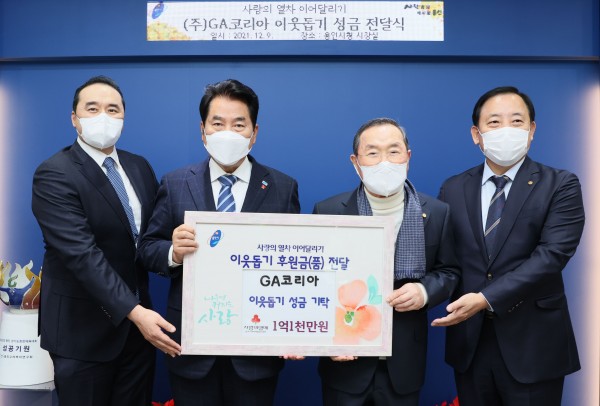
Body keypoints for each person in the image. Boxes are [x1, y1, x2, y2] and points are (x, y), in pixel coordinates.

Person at [137, 79, 301, 406]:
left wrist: (292, 329)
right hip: (191, 346)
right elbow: (147, 249)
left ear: (254, 132)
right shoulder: (176, 183)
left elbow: (294, 263)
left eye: (239, 125)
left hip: (257, 349)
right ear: (203, 131)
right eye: (217, 124)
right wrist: (173, 252)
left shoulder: (283, 187)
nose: (228, 133)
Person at [31, 75, 181, 406]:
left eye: (113, 109)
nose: (104, 116)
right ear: (74, 118)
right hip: (82, 334)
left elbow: (149, 241)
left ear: (123, 117)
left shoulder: (139, 167)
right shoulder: (55, 173)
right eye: (92, 108)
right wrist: (136, 312)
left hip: (137, 335)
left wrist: (174, 249)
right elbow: (81, 255)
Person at [432, 86, 585, 405]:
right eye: (494, 122)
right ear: (476, 134)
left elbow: (551, 256)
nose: (506, 130)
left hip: (534, 344)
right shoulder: (453, 188)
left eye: (516, 121)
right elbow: (447, 260)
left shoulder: (560, 184)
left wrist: (485, 299)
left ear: (532, 130)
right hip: (470, 344)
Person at [313, 118, 460, 405]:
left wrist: (424, 291)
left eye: (393, 151)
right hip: (346, 358)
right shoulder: (329, 210)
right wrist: (328, 339)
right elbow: (316, 280)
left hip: (404, 360)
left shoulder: (437, 212)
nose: (384, 162)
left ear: (408, 157)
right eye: (373, 153)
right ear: (356, 162)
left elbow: (449, 270)